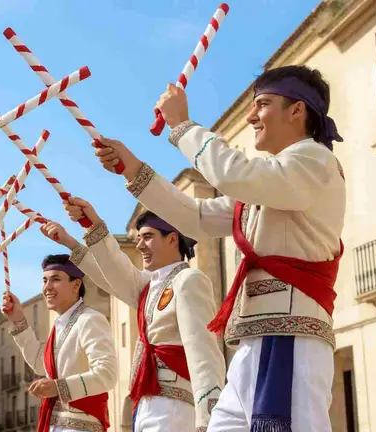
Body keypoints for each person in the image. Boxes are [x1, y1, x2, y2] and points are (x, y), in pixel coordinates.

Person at [91, 65, 345, 431]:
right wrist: (132, 168)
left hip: (291, 340)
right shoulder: (268, 184)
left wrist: (182, 126)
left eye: (262, 104)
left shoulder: (315, 161)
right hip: (251, 344)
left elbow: (233, 175)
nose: (251, 116)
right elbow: (194, 217)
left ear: (297, 110)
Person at [40, 207, 226, 432]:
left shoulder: (188, 280)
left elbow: (204, 352)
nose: (139, 246)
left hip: (176, 406)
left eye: (148, 237)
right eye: (138, 238)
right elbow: (113, 271)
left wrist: (209, 420)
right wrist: (76, 237)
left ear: (172, 239)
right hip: (147, 406)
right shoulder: (149, 287)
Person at [2, 254, 117, 432]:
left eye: (55, 279)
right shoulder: (60, 326)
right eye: (45, 280)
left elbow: (107, 373)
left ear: (76, 284)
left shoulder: (91, 319)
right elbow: (42, 365)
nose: (47, 287)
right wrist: (18, 320)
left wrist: (58, 387)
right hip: (55, 424)